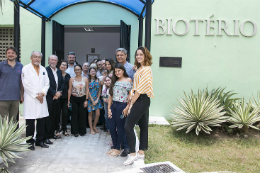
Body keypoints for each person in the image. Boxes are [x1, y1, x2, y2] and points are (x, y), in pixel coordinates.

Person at [123, 46, 154, 165]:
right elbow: (138, 76)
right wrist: (136, 69)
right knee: (143, 126)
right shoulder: (141, 68)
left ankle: (132, 154)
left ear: (146, 55)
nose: (138, 56)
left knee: (128, 126)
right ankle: (141, 152)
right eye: (137, 54)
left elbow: (139, 90)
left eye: (141, 54)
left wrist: (130, 104)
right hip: (142, 99)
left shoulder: (146, 69)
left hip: (141, 99)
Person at [22, 51, 50, 150]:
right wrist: (36, 95)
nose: (37, 59)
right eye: (35, 57)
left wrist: (42, 94)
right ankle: (29, 143)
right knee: (30, 122)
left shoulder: (43, 69)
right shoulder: (26, 68)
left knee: (41, 120)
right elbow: (26, 84)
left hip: (42, 98)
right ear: (31, 58)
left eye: (39, 57)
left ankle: (39, 141)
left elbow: (47, 83)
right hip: (31, 98)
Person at [106, 63, 132, 157]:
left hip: (122, 106)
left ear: (123, 70)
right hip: (113, 105)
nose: (117, 73)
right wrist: (109, 108)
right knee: (112, 127)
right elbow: (111, 96)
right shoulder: (114, 80)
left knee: (120, 128)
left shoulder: (128, 80)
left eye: (119, 71)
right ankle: (115, 146)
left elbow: (130, 96)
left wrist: (127, 107)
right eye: (115, 71)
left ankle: (117, 148)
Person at [115, 48, 135, 157]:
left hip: (128, 101)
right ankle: (122, 145)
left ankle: (128, 147)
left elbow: (134, 85)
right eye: (118, 55)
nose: (119, 57)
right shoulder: (116, 68)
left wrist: (130, 101)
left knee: (127, 125)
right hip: (118, 101)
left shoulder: (131, 68)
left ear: (126, 55)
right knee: (120, 125)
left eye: (121, 55)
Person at [45, 55, 64, 144]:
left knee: (56, 117)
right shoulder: (45, 70)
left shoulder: (59, 71)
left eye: (55, 60)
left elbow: (62, 83)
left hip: (57, 98)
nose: (53, 61)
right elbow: (46, 84)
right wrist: (54, 93)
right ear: (48, 61)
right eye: (52, 60)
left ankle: (52, 133)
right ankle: (47, 135)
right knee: (49, 117)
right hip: (49, 97)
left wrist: (59, 93)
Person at [0, 47, 23, 121]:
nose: (11, 54)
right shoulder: (1, 65)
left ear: (16, 55)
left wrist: (21, 95)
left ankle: (12, 133)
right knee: (2, 120)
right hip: (2, 98)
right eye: (9, 53)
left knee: (13, 121)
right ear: (6, 55)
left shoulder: (21, 66)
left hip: (15, 98)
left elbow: (22, 82)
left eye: (13, 53)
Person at [68, 64, 89, 137]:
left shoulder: (85, 79)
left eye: (79, 69)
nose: (77, 71)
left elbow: (87, 90)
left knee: (82, 115)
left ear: (81, 70)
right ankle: (75, 131)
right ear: (74, 71)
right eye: (76, 70)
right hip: (74, 98)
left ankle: (82, 131)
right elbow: (69, 90)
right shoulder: (71, 79)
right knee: (74, 115)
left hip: (82, 98)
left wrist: (86, 100)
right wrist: (68, 101)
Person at [87, 67, 103, 135]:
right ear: (89, 72)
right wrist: (92, 100)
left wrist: (97, 99)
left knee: (98, 114)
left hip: (97, 99)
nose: (93, 72)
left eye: (94, 71)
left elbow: (99, 90)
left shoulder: (98, 80)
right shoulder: (87, 80)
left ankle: (94, 126)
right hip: (90, 99)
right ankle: (91, 128)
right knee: (90, 114)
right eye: (91, 71)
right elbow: (87, 91)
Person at [58, 60, 71, 136]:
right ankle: (57, 129)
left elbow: (69, 88)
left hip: (65, 97)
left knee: (65, 114)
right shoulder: (56, 74)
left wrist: (69, 100)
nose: (64, 66)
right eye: (62, 65)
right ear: (59, 65)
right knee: (57, 114)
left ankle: (64, 128)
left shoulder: (68, 76)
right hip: (57, 97)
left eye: (65, 65)